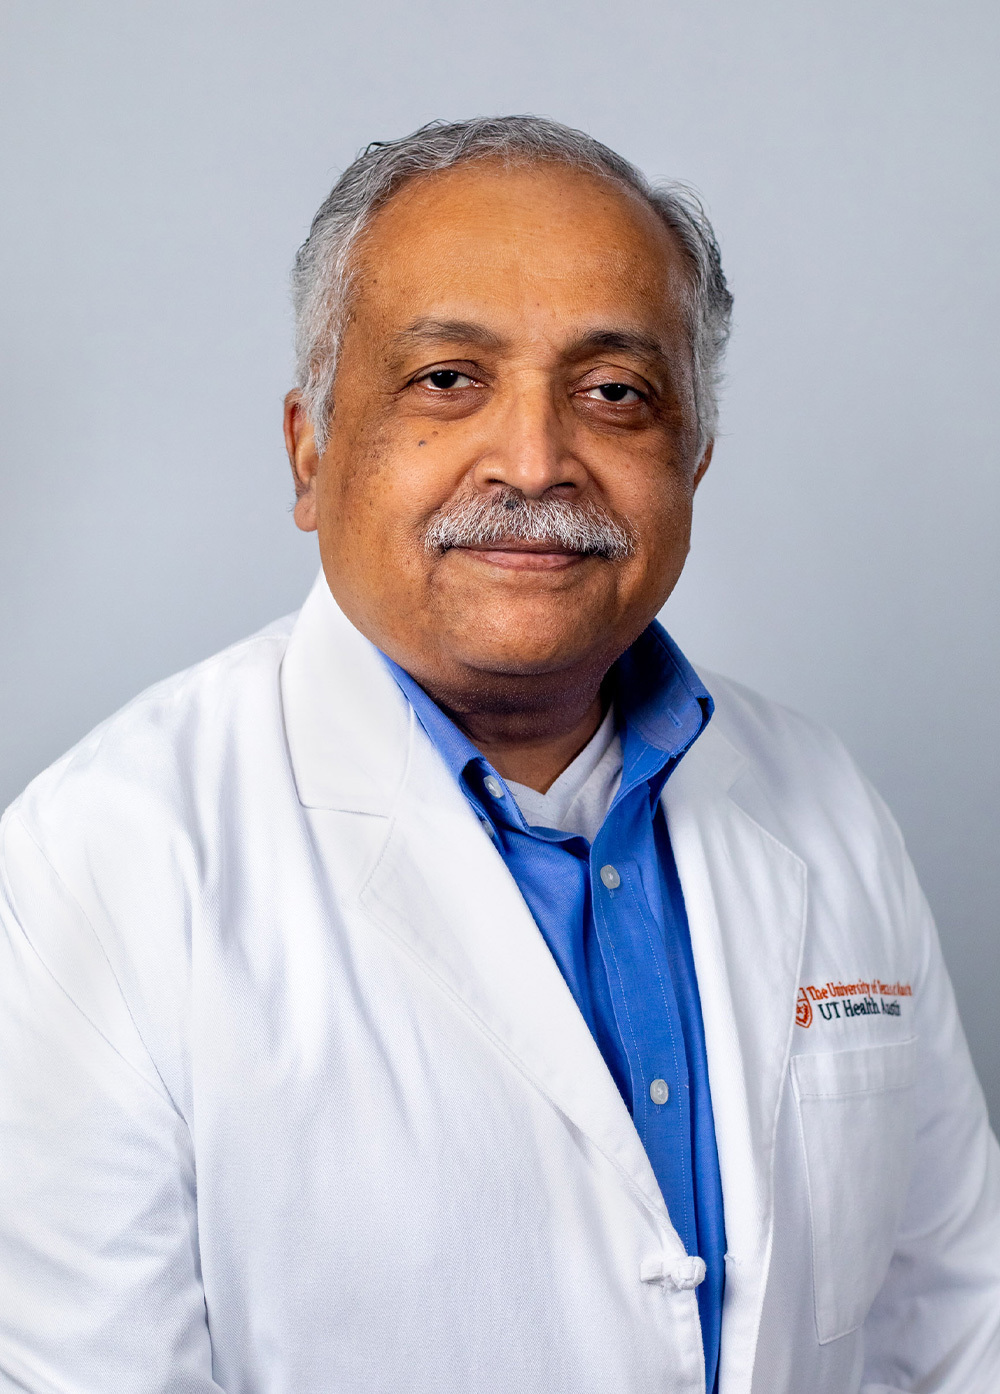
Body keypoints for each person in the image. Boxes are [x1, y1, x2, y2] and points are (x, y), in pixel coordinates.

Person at [1, 116, 997, 1394]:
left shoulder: (825, 803)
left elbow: (952, 1327)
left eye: (614, 393)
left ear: (691, 459)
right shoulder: (106, 854)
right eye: (447, 379)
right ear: (310, 449)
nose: (534, 460)